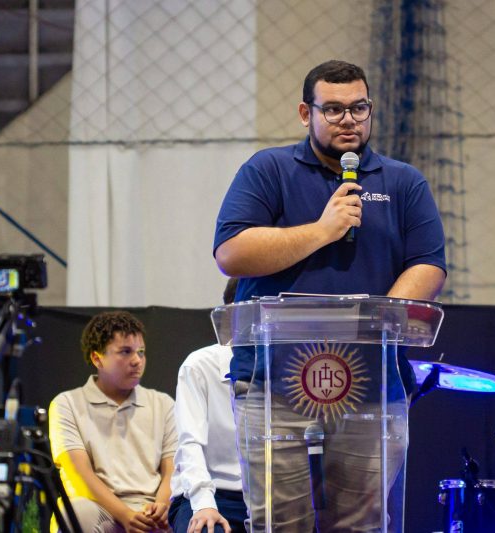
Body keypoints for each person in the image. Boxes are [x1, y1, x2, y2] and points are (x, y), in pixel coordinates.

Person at [213, 60, 447, 531]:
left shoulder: (403, 182)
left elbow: (429, 264)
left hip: (371, 385)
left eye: (359, 108)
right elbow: (231, 253)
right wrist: (322, 230)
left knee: (363, 524)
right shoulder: (268, 170)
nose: (349, 120)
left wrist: (379, 321)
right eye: (334, 109)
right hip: (273, 384)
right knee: (279, 523)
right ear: (306, 113)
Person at [49, 311, 177, 532]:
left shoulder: (163, 403)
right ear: (97, 358)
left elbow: (173, 468)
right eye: (125, 352)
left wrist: (162, 506)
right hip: (99, 509)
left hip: (150, 509)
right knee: (75, 513)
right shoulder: (67, 403)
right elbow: (78, 474)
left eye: (141, 352)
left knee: (194, 510)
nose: (137, 360)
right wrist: (125, 515)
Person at [168, 279, 246, 533]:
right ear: (232, 313)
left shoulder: (287, 367)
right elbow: (189, 443)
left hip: (267, 497)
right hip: (211, 493)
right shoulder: (200, 365)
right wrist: (204, 504)